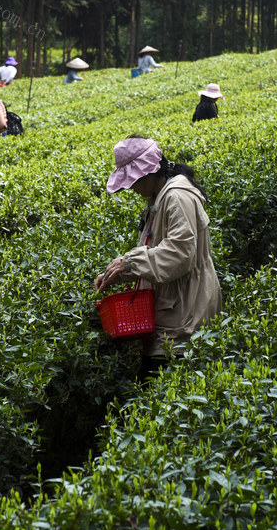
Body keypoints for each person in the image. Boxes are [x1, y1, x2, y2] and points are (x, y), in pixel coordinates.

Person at [94, 136, 222, 381]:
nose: (131, 188)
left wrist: (130, 263)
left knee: (155, 394)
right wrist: (120, 271)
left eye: (132, 181)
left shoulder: (177, 197)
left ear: (148, 173)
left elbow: (179, 254)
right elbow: (156, 249)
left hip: (185, 312)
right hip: (173, 308)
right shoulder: (159, 196)